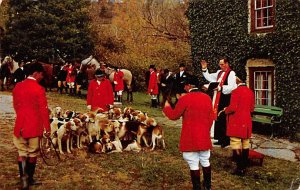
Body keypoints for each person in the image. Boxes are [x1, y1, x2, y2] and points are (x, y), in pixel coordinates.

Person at [163, 76, 213, 190]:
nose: (184, 87)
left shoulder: (185, 99)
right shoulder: (207, 98)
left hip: (190, 136)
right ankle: (208, 186)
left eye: (185, 85)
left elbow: (174, 115)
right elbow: (211, 117)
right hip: (204, 135)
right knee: (205, 160)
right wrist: (206, 129)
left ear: (189, 86)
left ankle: (197, 188)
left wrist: (166, 107)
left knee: (193, 163)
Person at [12, 62, 50, 189]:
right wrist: (48, 128)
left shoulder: (18, 86)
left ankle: (24, 179)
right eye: (41, 74)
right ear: (35, 73)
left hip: (20, 125)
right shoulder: (39, 89)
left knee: (22, 152)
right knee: (33, 153)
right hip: (34, 126)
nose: (42, 77)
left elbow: (16, 105)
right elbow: (43, 110)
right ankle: (30, 179)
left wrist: (22, 116)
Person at [201, 57, 237, 148]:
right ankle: (219, 138)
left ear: (227, 64)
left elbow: (232, 87)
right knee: (218, 117)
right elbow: (210, 78)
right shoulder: (219, 72)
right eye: (220, 64)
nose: (220, 66)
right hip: (218, 97)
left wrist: (221, 88)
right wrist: (205, 69)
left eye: (222, 64)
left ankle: (226, 140)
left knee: (224, 118)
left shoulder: (231, 73)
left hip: (226, 98)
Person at [223, 76, 255, 176]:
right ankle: (244, 165)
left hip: (236, 120)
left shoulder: (236, 91)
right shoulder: (250, 92)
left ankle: (240, 168)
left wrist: (225, 110)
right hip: (247, 120)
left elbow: (233, 107)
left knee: (235, 143)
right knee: (245, 143)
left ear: (238, 80)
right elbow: (252, 109)